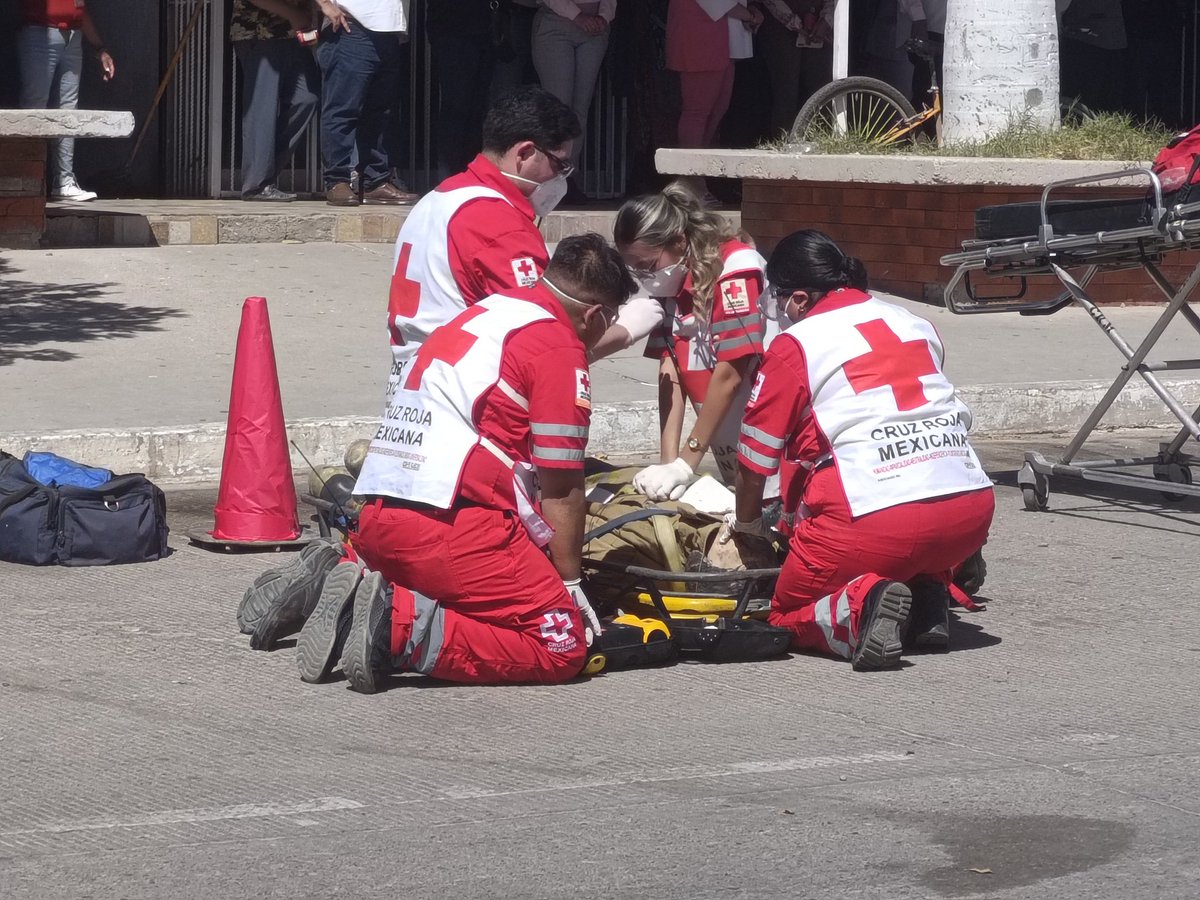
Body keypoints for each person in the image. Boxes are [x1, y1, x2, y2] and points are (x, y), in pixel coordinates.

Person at [295, 234, 638, 690]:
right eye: (610, 320)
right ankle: (394, 628)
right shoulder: (557, 345)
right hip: (453, 527)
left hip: (377, 519)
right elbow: (561, 482)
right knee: (561, 644)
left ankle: (351, 572)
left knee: (473, 596)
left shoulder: (490, 312)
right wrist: (569, 583)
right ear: (596, 314)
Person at [725, 230, 994, 670]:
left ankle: (862, 607)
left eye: (777, 298)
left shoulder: (796, 345)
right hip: (968, 515)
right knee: (908, 548)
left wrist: (750, 525)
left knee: (784, 611)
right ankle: (929, 594)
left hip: (870, 520)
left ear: (797, 298)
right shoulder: (914, 322)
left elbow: (755, 462)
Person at [375, 85, 580, 381]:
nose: (560, 178)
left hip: (414, 379)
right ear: (525, 153)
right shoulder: (497, 221)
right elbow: (543, 334)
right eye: (559, 164)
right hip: (465, 387)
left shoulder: (440, 196)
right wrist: (625, 328)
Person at [614, 182, 772, 499]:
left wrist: (687, 463)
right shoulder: (671, 282)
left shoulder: (735, 269)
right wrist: (668, 462)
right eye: (634, 268)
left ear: (679, 240)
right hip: (725, 435)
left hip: (766, 431)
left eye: (647, 265)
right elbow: (670, 369)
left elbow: (731, 371)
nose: (644, 276)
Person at [314, 0, 417, 206]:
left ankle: (374, 181)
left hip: (388, 31)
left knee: (379, 112)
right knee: (343, 109)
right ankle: (337, 181)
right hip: (350, 26)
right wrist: (325, 4)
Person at [16, 0, 115, 202]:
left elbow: (80, 10)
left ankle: (64, 182)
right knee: (35, 108)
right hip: (40, 33)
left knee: (68, 109)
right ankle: (28, 179)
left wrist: (100, 48)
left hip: (73, 36)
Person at [230, 0, 320, 202]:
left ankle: (265, 173)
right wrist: (293, 13)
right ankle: (256, 184)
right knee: (263, 108)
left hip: (293, 36)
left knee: (307, 98)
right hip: (258, 33)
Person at [531, 0, 617, 204]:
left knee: (580, 109)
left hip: (596, 26)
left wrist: (604, 16)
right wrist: (577, 16)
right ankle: (547, 178)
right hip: (556, 22)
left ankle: (566, 178)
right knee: (557, 109)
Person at [666, 0, 762, 150]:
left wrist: (749, 13)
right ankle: (688, 171)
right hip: (698, 40)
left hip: (720, 43)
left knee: (718, 109)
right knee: (697, 112)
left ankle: (699, 167)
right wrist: (750, 16)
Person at [426, 0, 501, 180]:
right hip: (452, 27)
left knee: (478, 108)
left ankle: (471, 174)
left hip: (484, 29)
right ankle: (449, 177)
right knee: (456, 105)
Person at [755, 0, 834, 137]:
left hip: (820, 26)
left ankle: (819, 141)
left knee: (820, 90)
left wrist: (827, 19)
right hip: (779, 27)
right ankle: (783, 142)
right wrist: (792, 21)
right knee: (785, 92)